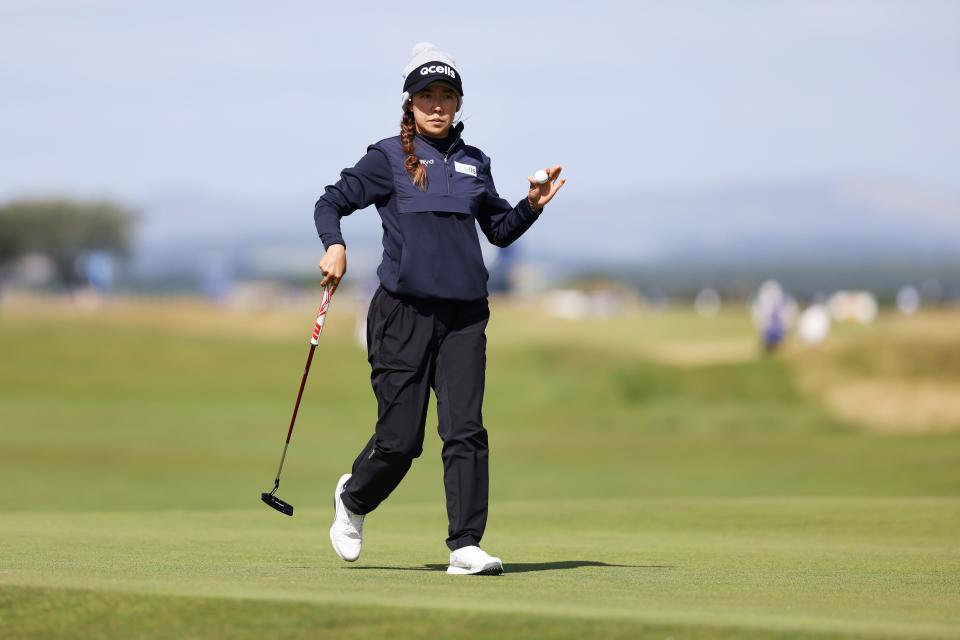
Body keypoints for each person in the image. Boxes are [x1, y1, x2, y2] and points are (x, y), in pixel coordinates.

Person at [313, 42, 566, 576]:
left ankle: (466, 544)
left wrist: (530, 206)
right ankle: (354, 499)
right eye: (426, 95)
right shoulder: (387, 158)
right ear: (410, 103)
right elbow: (330, 201)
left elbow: (498, 231)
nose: (436, 104)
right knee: (401, 442)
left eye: (446, 95)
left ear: (458, 104)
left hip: (465, 316)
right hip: (403, 314)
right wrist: (334, 243)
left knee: (466, 430)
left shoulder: (476, 164)